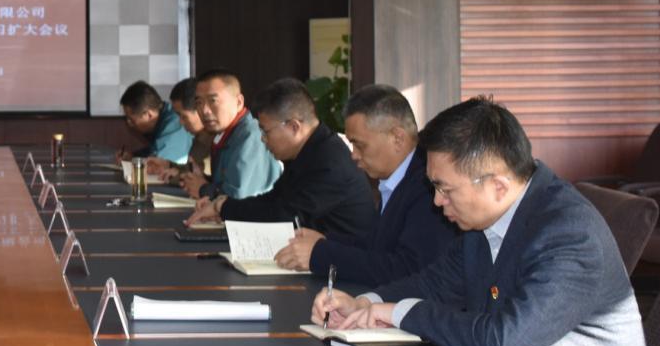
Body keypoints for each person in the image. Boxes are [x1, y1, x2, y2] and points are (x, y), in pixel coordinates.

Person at [312, 97, 660, 346]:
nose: (437, 201)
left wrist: (400, 312)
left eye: (445, 189)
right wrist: (366, 302)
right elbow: (435, 283)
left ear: (498, 185)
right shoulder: (489, 219)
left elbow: (503, 344)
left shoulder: (570, 236)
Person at [272, 84, 460, 284]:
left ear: (397, 138)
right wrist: (324, 241)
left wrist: (320, 254)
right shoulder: (400, 177)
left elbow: (406, 269)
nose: (353, 155)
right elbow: (376, 245)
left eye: (360, 145)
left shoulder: (427, 185)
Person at [195, 78, 376, 238]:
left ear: (293, 127)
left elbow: (285, 217)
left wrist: (223, 208)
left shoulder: (329, 162)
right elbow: (274, 200)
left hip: (341, 262)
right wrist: (224, 206)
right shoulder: (308, 150)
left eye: (266, 131)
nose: (263, 139)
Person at [180, 71, 279, 205]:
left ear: (239, 102)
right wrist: (201, 180)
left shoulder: (251, 135)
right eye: (199, 102)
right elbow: (227, 183)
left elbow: (239, 198)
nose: (204, 110)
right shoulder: (225, 133)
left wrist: (203, 188)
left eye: (213, 101)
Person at [144, 79, 211, 179]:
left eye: (183, 116)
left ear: (200, 109)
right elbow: (193, 170)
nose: (181, 122)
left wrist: (178, 176)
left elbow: (207, 181)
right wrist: (168, 165)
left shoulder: (218, 141)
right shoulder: (201, 138)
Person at [116, 81, 193, 165]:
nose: (129, 124)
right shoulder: (163, 117)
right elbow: (154, 150)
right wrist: (133, 157)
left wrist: (135, 161)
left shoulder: (173, 128)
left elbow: (156, 165)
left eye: (131, 120)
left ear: (149, 115)